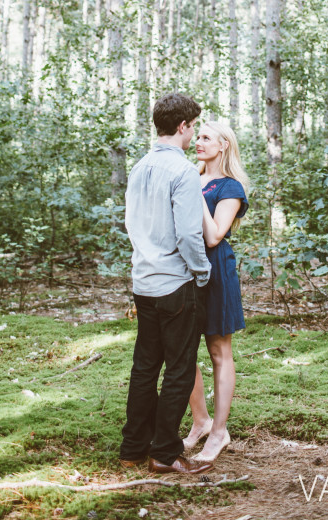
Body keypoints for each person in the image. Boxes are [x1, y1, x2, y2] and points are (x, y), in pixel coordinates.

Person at [119, 92, 214, 476]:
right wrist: (202, 272)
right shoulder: (184, 171)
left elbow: (131, 223)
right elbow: (190, 235)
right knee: (179, 367)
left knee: (145, 366)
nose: (193, 136)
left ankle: (132, 449)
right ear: (182, 126)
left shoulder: (140, 166)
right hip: (176, 283)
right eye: (192, 128)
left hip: (143, 281)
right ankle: (164, 453)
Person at [183, 120, 250, 463]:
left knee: (218, 350)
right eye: (199, 136)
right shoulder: (189, 178)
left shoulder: (230, 187)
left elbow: (214, 236)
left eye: (207, 137)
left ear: (223, 145)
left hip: (216, 271)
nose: (199, 141)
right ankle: (201, 422)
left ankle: (220, 432)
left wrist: (195, 193)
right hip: (183, 272)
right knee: (183, 348)